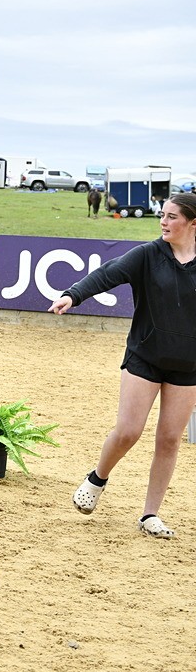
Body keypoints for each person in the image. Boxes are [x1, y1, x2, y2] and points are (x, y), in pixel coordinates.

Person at [53, 194, 196, 539]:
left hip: (189, 365)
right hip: (144, 358)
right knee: (129, 431)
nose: (163, 222)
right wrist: (73, 294)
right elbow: (107, 273)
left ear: (193, 224)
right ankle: (97, 477)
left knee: (170, 440)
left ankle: (150, 515)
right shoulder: (148, 255)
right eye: (162, 215)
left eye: (172, 217)